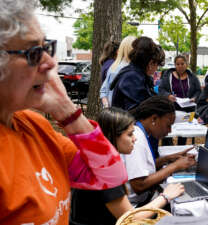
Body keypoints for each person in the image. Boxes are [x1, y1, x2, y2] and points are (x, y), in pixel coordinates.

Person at [0, 1, 127, 224]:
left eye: (46, 48)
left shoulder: (33, 125)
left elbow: (109, 177)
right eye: (33, 52)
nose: (50, 63)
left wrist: (67, 109)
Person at [70, 107, 184, 225]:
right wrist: (166, 196)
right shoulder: (106, 171)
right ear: (114, 136)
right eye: (130, 134)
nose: (135, 139)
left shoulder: (96, 159)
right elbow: (130, 219)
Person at [123, 96, 196, 206]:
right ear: (154, 119)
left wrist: (167, 159)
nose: (169, 130)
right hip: (136, 206)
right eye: (168, 125)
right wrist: (174, 166)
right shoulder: (137, 139)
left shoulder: (141, 132)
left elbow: (142, 168)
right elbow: (139, 185)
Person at [111, 36, 165, 111]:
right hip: (125, 121)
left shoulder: (136, 74)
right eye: (157, 65)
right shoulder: (132, 77)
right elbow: (141, 108)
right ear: (151, 63)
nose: (156, 69)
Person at [158, 55, 201, 145]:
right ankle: (168, 149)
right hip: (171, 109)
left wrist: (194, 98)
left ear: (186, 64)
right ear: (174, 65)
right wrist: (168, 95)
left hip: (186, 110)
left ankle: (181, 149)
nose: (180, 66)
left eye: (182, 64)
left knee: (183, 134)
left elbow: (198, 91)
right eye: (177, 64)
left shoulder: (192, 77)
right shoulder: (168, 76)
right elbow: (161, 89)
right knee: (168, 131)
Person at [100, 36, 135, 108]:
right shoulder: (118, 67)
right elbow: (104, 91)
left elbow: (103, 90)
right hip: (120, 115)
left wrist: (107, 108)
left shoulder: (113, 65)